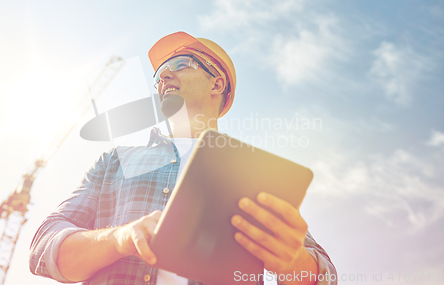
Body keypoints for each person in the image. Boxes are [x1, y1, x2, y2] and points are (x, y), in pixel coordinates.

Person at [29, 31, 337, 285]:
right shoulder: (115, 163)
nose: (164, 75)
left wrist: (292, 260)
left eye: (179, 63)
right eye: (158, 74)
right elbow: (44, 248)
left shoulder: (253, 176)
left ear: (217, 83)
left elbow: (324, 276)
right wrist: (120, 239)